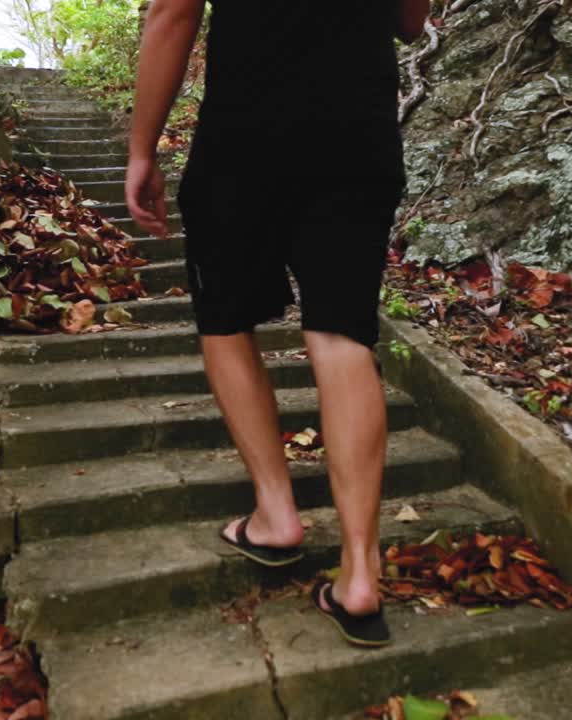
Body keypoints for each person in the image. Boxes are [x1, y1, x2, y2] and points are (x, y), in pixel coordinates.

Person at [125, 0, 431, 647]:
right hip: (358, 128)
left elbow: (172, 14)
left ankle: (275, 513)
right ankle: (357, 574)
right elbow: (410, 21)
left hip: (247, 129)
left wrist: (140, 149)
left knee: (225, 319)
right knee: (343, 332)